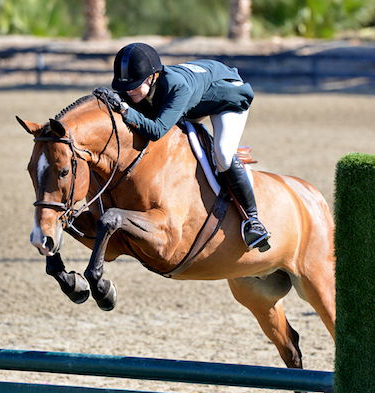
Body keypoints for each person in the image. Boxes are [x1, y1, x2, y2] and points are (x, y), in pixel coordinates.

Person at [95, 42, 270, 252]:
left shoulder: (177, 87)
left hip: (227, 96)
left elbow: (157, 130)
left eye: (135, 85)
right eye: (125, 88)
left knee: (223, 154)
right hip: (199, 92)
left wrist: (124, 109)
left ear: (152, 77)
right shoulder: (144, 85)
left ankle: (253, 220)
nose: (129, 92)